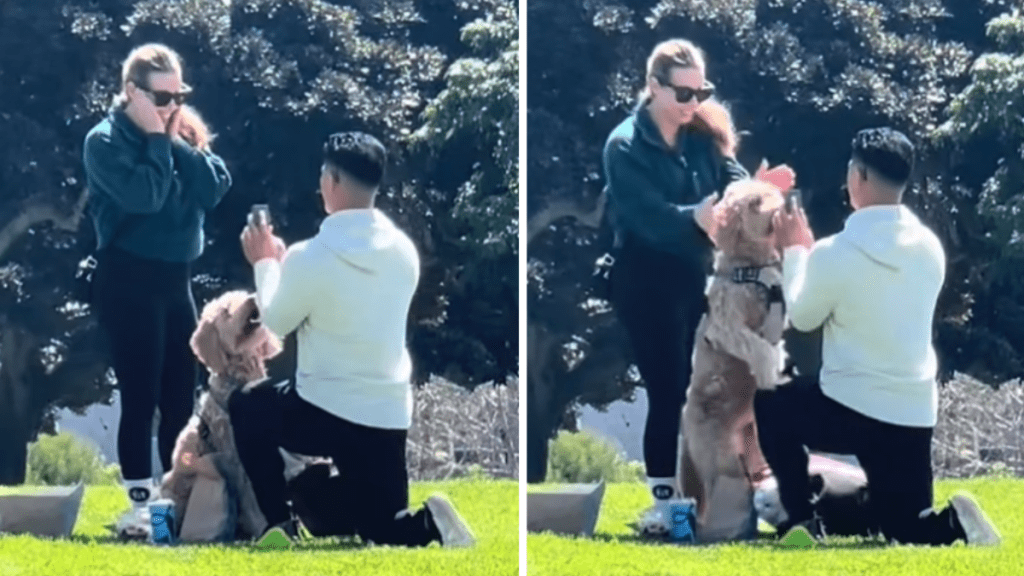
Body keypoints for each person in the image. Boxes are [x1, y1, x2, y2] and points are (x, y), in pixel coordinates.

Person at [755, 127, 1001, 546]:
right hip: (912, 414)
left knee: (771, 401)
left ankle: (802, 519)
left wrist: (797, 250)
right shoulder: (928, 248)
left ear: (858, 176)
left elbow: (802, 315)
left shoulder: (836, 252)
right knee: (907, 529)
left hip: (849, 407)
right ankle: (953, 523)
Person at [231, 131, 475, 548]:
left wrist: (267, 263)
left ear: (332, 181)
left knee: (249, 403)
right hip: (386, 416)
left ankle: (279, 525)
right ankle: (428, 522)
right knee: (383, 528)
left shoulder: (310, 255)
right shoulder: (403, 251)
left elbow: (277, 321)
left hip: (322, 409)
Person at [602, 38, 795, 532]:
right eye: (682, 94)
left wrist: (753, 195)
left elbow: (733, 180)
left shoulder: (703, 137)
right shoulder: (623, 145)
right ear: (653, 87)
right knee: (668, 392)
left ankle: (754, 488)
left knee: (725, 387)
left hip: (697, 275)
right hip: (645, 280)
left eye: (700, 92)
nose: (693, 104)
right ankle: (667, 504)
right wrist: (697, 216)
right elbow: (646, 218)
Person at [82, 43, 231, 538]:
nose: (172, 105)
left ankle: (171, 506)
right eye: (161, 96)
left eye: (178, 95)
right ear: (132, 91)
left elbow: (214, 189)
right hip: (128, 280)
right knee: (140, 397)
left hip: (175, 282)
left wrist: (175, 139)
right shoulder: (104, 141)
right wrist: (155, 138)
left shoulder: (178, 130)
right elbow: (144, 196)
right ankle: (138, 506)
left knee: (179, 399)